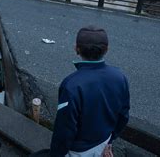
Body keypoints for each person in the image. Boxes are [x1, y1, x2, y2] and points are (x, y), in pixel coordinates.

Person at [50, 26, 130, 157]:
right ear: (106, 50)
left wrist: (56, 154)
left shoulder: (71, 85)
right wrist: (110, 139)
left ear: (77, 49)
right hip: (104, 141)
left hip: (78, 150)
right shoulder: (119, 77)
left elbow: (65, 130)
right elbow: (124, 115)